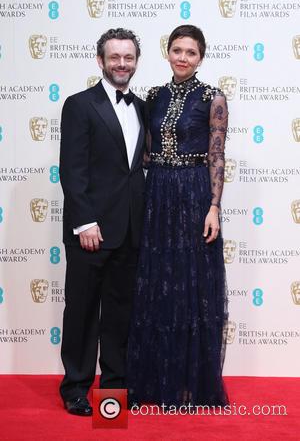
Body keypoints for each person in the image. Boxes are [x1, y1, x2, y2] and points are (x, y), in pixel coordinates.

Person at [127, 24, 229, 408]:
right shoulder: (153, 96)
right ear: (167, 52)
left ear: (201, 57)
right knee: (157, 284)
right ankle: (155, 379)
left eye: (191, 52)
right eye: (177, 50)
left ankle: (191, 383)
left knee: (193, 286)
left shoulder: (212, 97)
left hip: (194, 193)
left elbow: (217, 155)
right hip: (159, 192)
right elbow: (147, 153)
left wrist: (214, 207)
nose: (183, 57)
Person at [59, 28, 145, 416]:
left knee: (119, 313)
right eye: (115, 57)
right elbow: (72, 170)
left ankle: (113, 387)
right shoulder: (79, 105)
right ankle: (75, 387)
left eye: (128, 57)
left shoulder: (141, 106)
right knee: (81, 313)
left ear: (136, 62)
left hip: (129, 230)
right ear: (100, 61)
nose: (122, 64)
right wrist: (85, 223)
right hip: (90, 231)